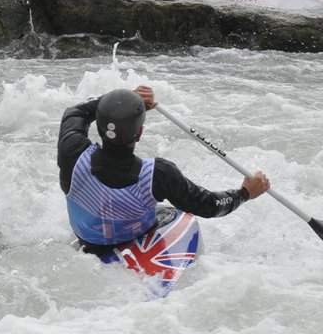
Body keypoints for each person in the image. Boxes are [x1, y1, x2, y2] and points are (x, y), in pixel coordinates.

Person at [58, 85, 270, 254]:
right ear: (140, 132)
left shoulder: (72, 151)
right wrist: (245, 193)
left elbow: (76, 112)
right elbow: (209, 206)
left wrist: (123, 102)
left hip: (87, 241)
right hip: (133, 239)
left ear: (99, 125)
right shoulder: (157, 174)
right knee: (172, 212)